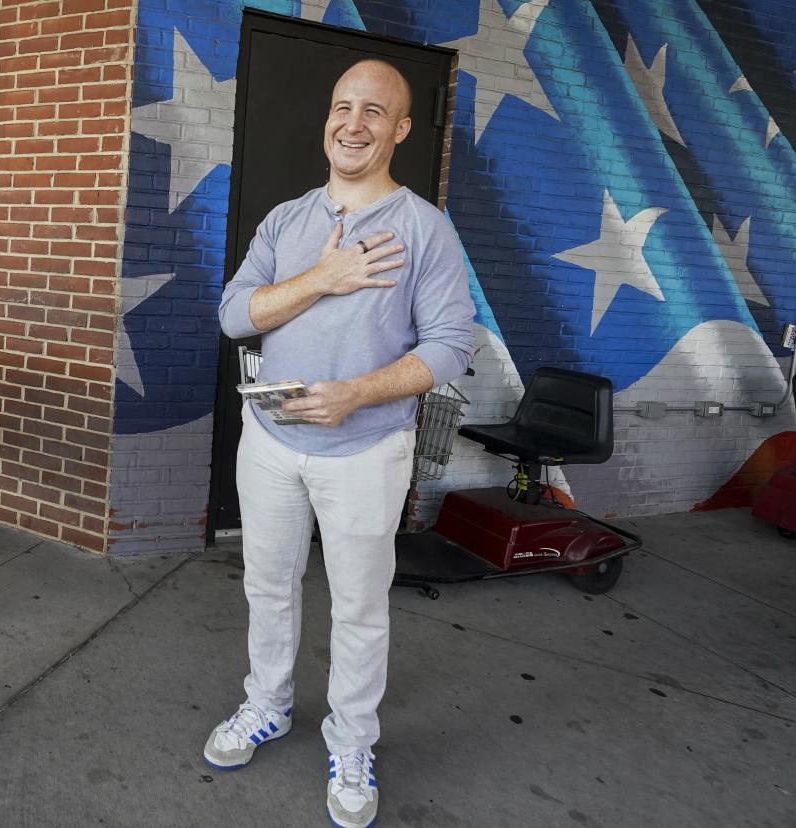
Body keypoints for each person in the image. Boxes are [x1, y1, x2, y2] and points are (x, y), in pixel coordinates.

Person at [210, 59, 475, 827]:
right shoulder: (287, 221)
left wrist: (356, 392)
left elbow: (452, 346)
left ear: (400, 129)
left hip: (366, 451)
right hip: (268, 443)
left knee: (359, 609)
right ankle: (266, 705)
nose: (352, 124)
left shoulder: (424, 229)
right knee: (269, 585)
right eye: (342, 107)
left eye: (374, 111)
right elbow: (234, 315)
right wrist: (323, 278)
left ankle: (352, 740)